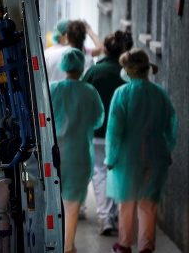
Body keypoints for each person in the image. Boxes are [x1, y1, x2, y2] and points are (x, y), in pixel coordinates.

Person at [106, 49, 177, 253]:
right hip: (156, 155)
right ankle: (146, 246)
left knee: (127, 200)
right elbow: (170, 124)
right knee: (149, 203)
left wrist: (111, 157)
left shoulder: (122, 94)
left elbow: (115, 130)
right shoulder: (159, 93)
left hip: (128, 156)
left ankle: (125, 244)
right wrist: (168, 149)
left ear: (128, 70)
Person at [49, 48, 104, 253]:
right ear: (82, 68)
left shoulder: (53, 89)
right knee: (72, 205)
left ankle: (53, 243)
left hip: (55, 154)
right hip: (79, 153)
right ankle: (68, 246)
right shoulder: (89, 92)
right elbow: (98, 119)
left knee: (54, 200)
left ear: (64, 67)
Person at [82, 30, 127, 235]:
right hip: (121, 134)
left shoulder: (94, 72)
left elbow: (83, 100)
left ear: (105, 49)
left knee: (100, 173)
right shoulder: (127, 73)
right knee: (118, 173)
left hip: (97, 132)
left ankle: (105, 217)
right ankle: (116, 215)